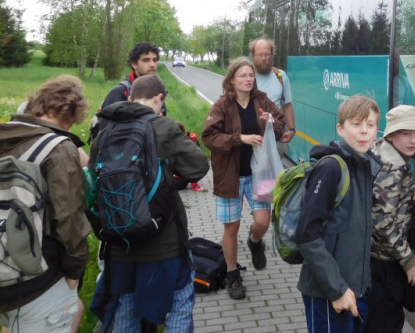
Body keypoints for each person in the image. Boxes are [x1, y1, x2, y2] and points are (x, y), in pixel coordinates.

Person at [89, 74, 209, 332]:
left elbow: (94, 183)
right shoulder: (164, 127)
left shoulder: (105, 132)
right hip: (164, 242)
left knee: (125, 311)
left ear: (131, 98)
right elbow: (198, 167)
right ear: (159, 99)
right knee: (180, 301)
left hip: (119, 243)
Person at [0, 76, 91, 333]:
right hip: (37, 281)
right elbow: (69, 219)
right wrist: (75, 272)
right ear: (72, 114)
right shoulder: (58, 148)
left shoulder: (6, 136)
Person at [295, 94, 382, 333]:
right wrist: (337, 290)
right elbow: (306, 235)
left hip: (356, 291)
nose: (364, 131)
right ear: (340, 129)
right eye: (356, 124)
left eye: (370, 125)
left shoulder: (365, 166)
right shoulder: (331, 168)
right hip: (328, 294)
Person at [202, 57, 286, 299]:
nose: (248, 79)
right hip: (231, 176)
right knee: (232, 227)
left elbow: (280, 124)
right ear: (232, 80)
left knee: (263, 221)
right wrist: (240, 138)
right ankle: (232, 275)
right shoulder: (222, 105)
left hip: (259, 174)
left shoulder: (262, 100)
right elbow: (209, 136)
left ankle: (254, 241)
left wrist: (270, 122)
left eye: (251, 75)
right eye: (243, 76)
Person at [364, 105, 415, 333]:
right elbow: (382, 224)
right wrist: (409, 259)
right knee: (386, 322)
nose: (413, 140)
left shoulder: (384, 150)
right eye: (406, 134)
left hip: (376, 259)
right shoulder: (391, 168)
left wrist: (403, 195)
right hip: (383, 263)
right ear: (390, 135)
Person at [250, 38, 296, 154]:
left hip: (276, 134)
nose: (264, 58)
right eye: (260, 55)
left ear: (272, 55)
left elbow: (287, 105)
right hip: (252, 137)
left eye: (267, 54)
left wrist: (291, 129)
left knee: (277, 165)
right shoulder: (247, 76)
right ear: (253, 56)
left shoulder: (280, 76)